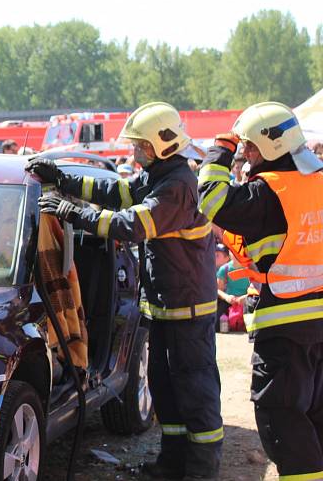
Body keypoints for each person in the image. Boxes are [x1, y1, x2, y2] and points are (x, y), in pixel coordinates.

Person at [27, 102, 222, 480]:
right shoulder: (158, 175)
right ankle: (172, 466)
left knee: (197, 396)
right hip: (166, 309)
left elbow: (131, 225)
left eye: (139, 146)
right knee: (166, 391)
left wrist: (72, 212)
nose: (134, 152)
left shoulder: (178, 187)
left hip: (189, 312)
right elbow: (114, 191)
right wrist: (62, 178)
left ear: (157, 146)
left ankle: (201, 473)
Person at [198, 102, 323, 479]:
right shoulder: (316, 182)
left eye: (250, 147)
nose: (245, 155)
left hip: (284, 323)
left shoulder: (268, 193)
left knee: (281, 415)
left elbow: (211, 200)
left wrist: (220, 147)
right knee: (316, 414)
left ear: (271, 147)